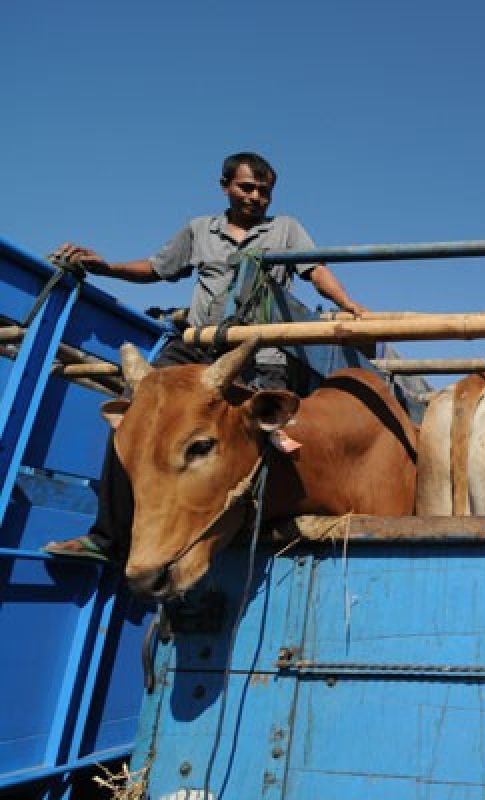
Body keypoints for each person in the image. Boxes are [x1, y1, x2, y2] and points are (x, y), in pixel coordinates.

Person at [43, 151, 366, 563]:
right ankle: (107, 538)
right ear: (225, 186)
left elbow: (315, 269)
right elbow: (157, 268)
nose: (255, 197)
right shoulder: (199, 231)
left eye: (264, 192)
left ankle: (240, 537)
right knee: (138, 420)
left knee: (260, 436)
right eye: (246, 188)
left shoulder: (286, 230)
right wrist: (105, 268)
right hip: (198, 344)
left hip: (259, 351)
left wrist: (349, 304)